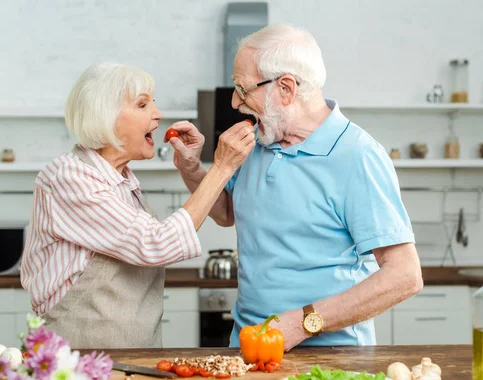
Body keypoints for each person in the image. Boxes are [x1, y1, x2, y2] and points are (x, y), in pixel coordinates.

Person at [167, 24, 423, 350]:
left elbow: (405, 275)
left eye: (244, 89)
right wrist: (191, 168)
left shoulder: (357, 155)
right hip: (248, 348)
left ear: (286, 88)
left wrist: (303, 323)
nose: (235, 102)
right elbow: (227, 212)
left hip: (334, 358)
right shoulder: (259, 141)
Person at [20, 62, 255, 349]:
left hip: (133, 355)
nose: (158, 114)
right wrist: (221, 168)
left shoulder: (122, 180)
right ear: (106, 115)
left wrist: (193, 166)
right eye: (143, 105)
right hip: (76, 357)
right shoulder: (70, 177)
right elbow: (157, 243)